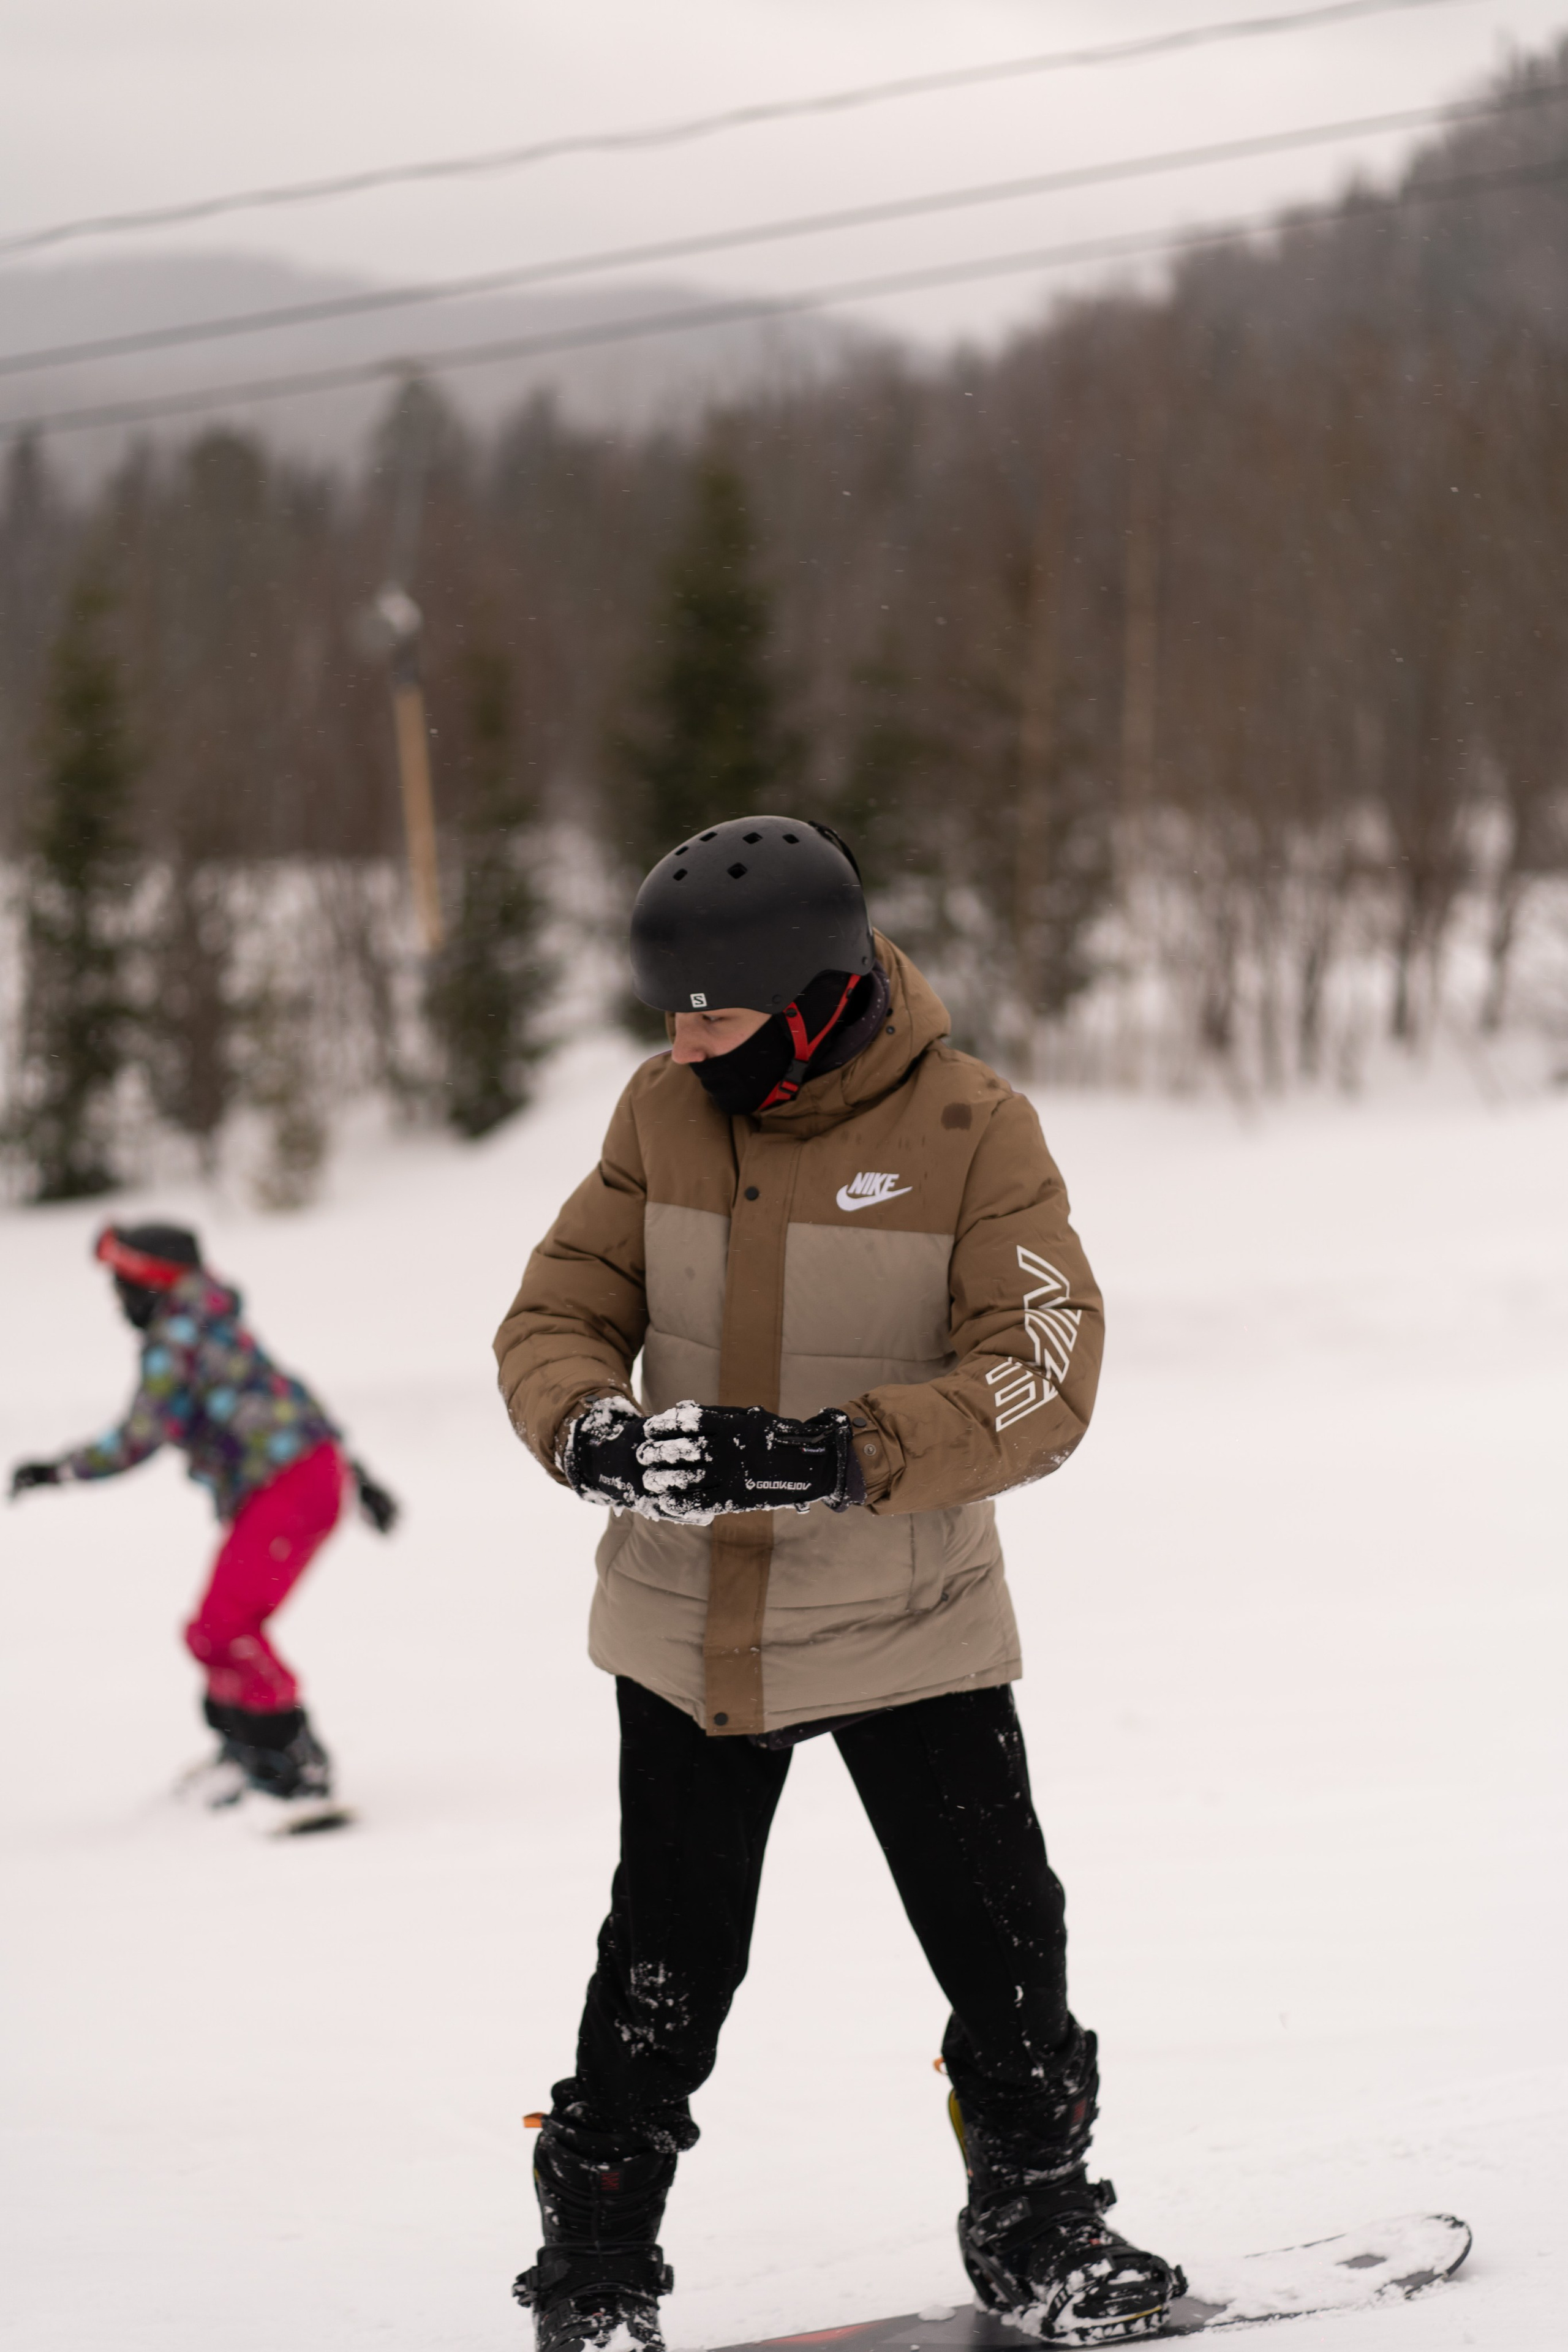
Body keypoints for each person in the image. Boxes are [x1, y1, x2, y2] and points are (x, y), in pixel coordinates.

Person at [494, 816, 1183, 2350]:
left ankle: (1036, 2219)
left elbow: (1040, 1381)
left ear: (811, 994)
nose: (682, 1045)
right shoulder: (661, 1111)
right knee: (664, 1969)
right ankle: (596, 2269)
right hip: (693, 1628)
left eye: (713, 1016)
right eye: (666, 1014)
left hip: (911, 1622)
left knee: (1002, 1945)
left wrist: (834, 1453)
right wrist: (588, 1428)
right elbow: (556, 1307)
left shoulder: (969, 1130)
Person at [9, 1221, 399, 1827]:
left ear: (152, 1284)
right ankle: (244, 1752)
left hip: (290, 1484)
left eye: (123, 1287)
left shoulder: (178, 1336)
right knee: (214, 1628)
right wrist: (359, 1476)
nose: (118, 1304)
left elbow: (140, 1437)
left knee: (223, 1627)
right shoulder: (210, 1323)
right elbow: (291, 1397)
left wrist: (57, 1471)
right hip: (300, 1478)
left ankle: (291, 1764)